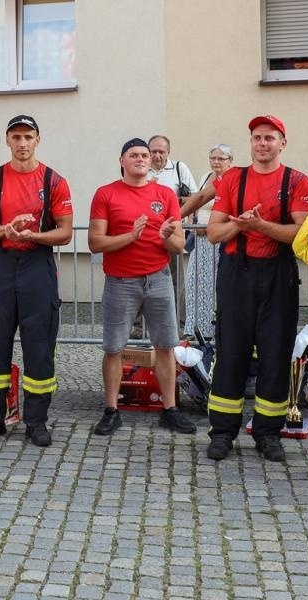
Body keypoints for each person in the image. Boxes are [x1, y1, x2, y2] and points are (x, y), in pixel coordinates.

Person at [203, 116, 308, 463]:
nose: (262, 143)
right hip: (237, 274)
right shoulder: (234, 178)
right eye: (256, 137)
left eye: (269, 138)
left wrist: (260, 224)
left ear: (283, 142)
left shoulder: (297, 180)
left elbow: (300, 234)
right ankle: (222, 432)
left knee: (274, 356)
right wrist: (241, 225)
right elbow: (213, 233)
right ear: (250, 142)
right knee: (230, 353)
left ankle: (268, 433)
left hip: (278, 275)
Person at [0, 116, 74, 447]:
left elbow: (66, 233)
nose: (22, 143)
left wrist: (34, 235)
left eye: (28, 136)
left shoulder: (55, 181)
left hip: (37, 265)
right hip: (2, 263)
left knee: (39, 345)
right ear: (7, 140)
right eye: (16, 137)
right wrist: (6, 229)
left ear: (38, 140)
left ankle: (36, 422)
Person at [88, 137, 197, 438]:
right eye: (134, 154)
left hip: (159, 279)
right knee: (113, 348)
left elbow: (177, 245)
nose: (141, 158)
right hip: (120, 282)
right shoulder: (106, 194)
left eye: (145, 155)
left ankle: (170, 409)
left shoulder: (165, 194)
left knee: (166, 346)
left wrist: (164, 235)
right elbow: (95, 242)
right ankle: (111, 410)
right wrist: (129, 237)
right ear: (122, 160)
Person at [179, 143, 234, 340]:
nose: (216, 162)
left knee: (212, 285)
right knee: (194, 282)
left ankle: (209, 329)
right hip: (199, 239)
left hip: (216, 240)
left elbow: (230, 210)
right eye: (213, 158)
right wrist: (191, 222)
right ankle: (193, 327)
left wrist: (209, 227)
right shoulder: (205, 177)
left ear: (230, 161)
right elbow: (199, 199)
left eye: (221, 158)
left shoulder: (231, 179)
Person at [148, 135, 199, 326]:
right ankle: (140, 325)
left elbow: (194, 197)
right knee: (140, 278)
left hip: (172, 232)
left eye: (161, 151)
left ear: (168, 152)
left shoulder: (179, 168)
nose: (157, 155)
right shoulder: (142, 168)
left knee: (174, 278)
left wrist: (172, 201)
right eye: (153, 151)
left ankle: (178, 321)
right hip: (146, 234)